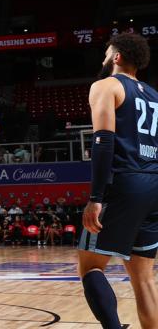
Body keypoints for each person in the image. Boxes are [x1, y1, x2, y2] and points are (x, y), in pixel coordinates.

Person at [78, 33, 158, 329]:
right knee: (144, 278)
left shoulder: (106, 85)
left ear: (117, 57)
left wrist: (96, 197)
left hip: (124, 182)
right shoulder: (153, 95)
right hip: (153, 183)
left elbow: (103, 142)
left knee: (89, 267)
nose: (103, 57)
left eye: (106, 52)